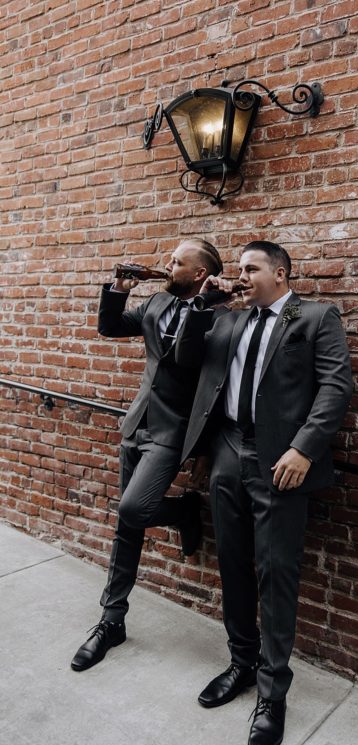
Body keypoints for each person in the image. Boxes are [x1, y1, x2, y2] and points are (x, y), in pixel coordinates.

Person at [176, 240, 352, 745]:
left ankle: (273, 696)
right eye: (239, 269)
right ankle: (241, 664)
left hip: (280, 463)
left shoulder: (314, 316)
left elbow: (336, 387)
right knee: (232, 565)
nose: (242, 276)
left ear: (279, 273)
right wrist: (201, 305)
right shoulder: (227, 320)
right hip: (227, 452)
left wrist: (304, 448)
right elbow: (184, 359)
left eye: (251, 269)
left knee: (276, 574)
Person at [71, 238, 223, 672]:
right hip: (137, 424)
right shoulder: (156, 302)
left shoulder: (219, 316)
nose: (166, 265)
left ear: (198, 275)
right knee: (128, 524)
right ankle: (111, 619)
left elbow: (187, 356)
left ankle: (179, 512)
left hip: (172, 433)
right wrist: (118, 288)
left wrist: (204, 305)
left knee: (133, 509)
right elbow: (111, 327)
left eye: (177, 262)